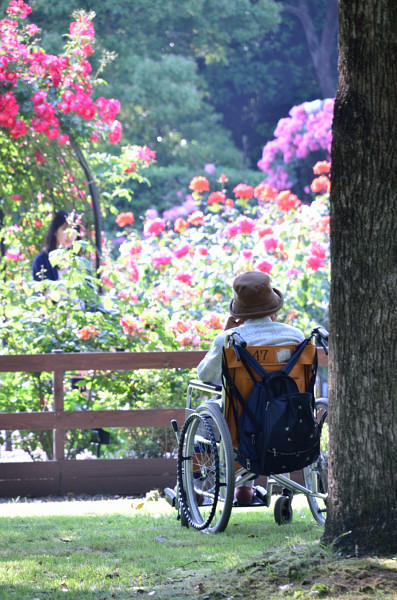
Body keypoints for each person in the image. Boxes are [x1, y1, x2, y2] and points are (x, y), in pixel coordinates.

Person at [197, 270, 305, 505]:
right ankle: (245, 490)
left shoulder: (230, 338)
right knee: (261, 409)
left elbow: (206, 376)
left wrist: (224, 332)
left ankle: (197, 488)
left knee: (208, 413)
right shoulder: (296, 337)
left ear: (239, 312)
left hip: (241, 420)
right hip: (286, 416)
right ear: (274, 309)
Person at [32, 210, 77, 281]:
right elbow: (41, 291)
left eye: (73, 230)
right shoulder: (41, 261)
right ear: (55, 231)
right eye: (65, 229)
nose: (70, 235)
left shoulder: (79, 261)